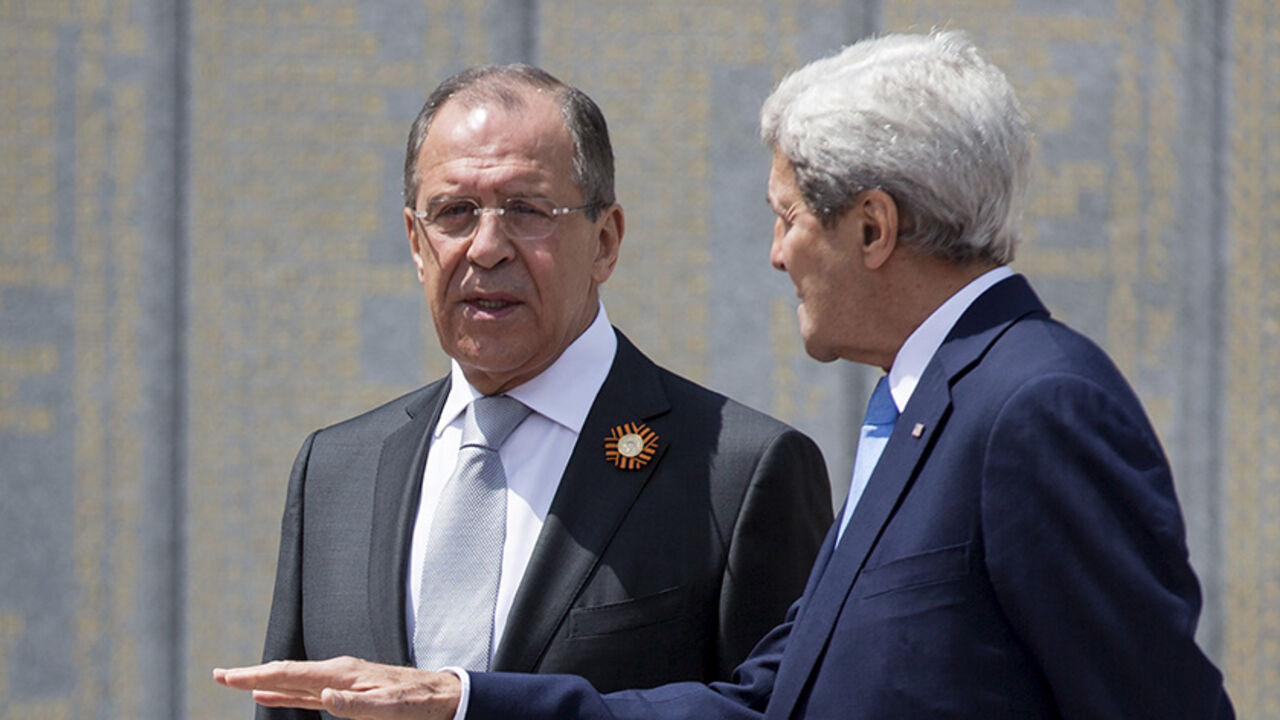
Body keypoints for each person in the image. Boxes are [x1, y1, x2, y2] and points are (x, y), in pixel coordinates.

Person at [216, 32, 1234, 719]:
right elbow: (766, 700)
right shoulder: (926, 409)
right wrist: (464, 699)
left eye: (787, 216)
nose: (776, 254)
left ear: (870, 228)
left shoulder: (1031, 405)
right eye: (452, 215)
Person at [235, 64, 833, 718]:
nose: (487, 248)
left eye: (527, 210)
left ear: (605, 242)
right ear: (415, 242)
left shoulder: (738, 473)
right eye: (455, 212)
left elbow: (783, 708)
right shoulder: (336, 471)